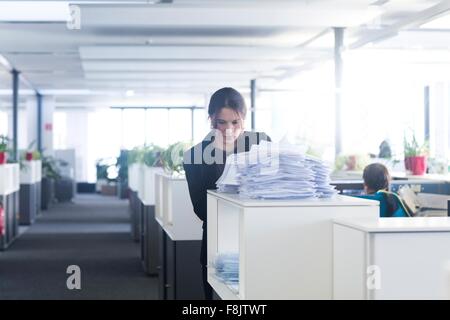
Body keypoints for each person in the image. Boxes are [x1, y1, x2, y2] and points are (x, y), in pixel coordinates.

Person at [183, 87, 270, 299]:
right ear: (211, 119)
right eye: (222, 122)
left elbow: (273, 188)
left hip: (259, 237)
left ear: (244, 120)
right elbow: (201, 209)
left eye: (235, 122)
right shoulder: (194, 156)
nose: (229, 130)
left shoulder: (261, 143)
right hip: (219, 242)